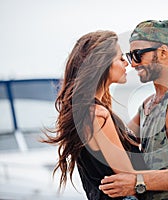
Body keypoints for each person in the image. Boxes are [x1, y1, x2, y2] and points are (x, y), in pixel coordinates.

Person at [99, 20, 168, 199]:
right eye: (129, 56)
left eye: (137, 55)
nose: (133, 64)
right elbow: (117, 144)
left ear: (162, 52)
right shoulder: (146, 105)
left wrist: (138, 182)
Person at [42, 30, 151, 200]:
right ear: (103, 64)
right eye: (120, 58)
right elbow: (131, 178)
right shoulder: (97, 115)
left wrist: (148, 107)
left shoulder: (88, 111)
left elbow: (118, 146)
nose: (126, 63)